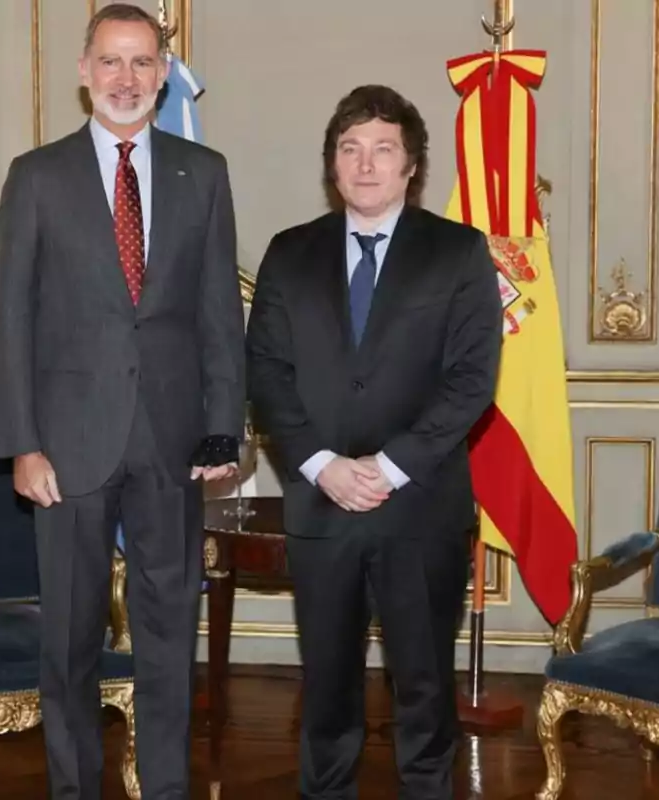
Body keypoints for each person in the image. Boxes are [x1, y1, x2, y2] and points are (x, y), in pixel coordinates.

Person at [0, 4, 245, 798]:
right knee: (68, 645)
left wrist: (223, 431)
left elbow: (217, 318)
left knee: (171, 642)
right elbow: (11, 323)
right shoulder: (37, 176)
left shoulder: (203, 174)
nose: (126, 79)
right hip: (65, 451)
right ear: (83, 70)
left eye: (142, 63)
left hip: (172, 446)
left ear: (164, 74)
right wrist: (22, 445)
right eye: (111, 62)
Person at [245, 84, 502, 799]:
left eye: (382, 149)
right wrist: (323, 465)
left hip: (420, 508)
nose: (365, 165)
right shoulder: (289, 253)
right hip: (320, 507)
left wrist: (388, 468)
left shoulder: (457, 252)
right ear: (332, 164)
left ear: (411, 165)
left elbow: (472, 381)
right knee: (325, 694)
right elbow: (264, 370)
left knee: (423, 691)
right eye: (350, 149)